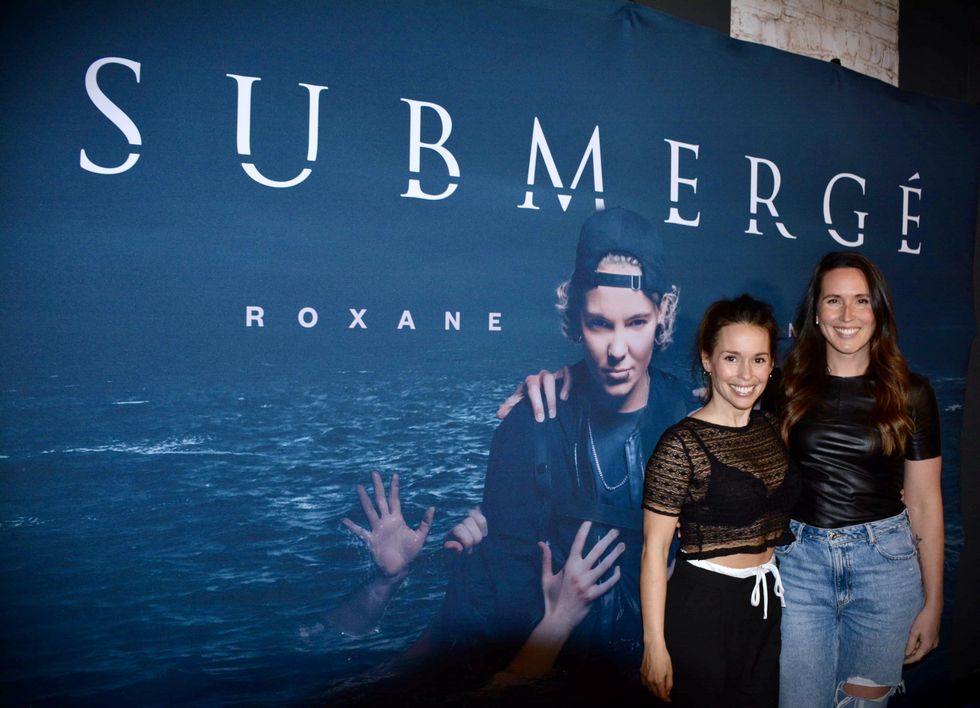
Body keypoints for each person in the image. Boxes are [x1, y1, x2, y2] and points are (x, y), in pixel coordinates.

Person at [428, 207, 691, 698]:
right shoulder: (528, 429)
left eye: (636, 322)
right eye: (599, 324)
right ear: (575, 318)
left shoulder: (691, 420)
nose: (618, 350)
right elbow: (503, 619)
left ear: (663, 314)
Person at [775, 252, 943, 707]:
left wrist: (933, 603)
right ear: (816, 312)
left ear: (878, 311)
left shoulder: (912, 392)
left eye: (861, 300)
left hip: (885, 571)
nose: (847, 315)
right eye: (834, 300)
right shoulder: (783, 387)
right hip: (801, 569)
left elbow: (925, 501)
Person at [639, 295, 799, 707]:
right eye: (732, 358)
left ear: (772, 364)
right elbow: (654, 550)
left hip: (767, 609)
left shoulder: (771, 428)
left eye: (759, 359)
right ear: (708, 361)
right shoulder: (680, 445)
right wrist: (654, 645)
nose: (746, 374)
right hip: (703, 609)